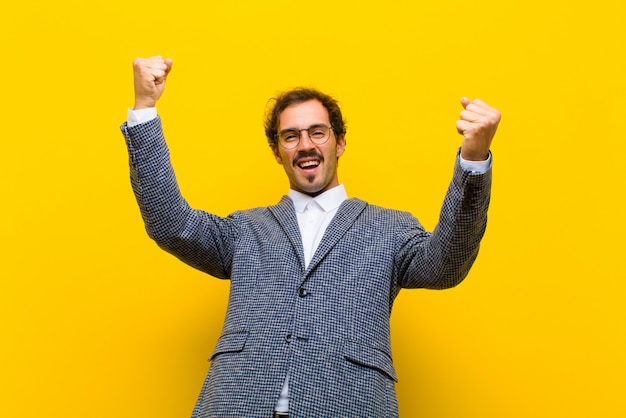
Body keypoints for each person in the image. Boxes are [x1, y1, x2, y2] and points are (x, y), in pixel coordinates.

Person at [120, 56, 501, 418]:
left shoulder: (391, 228)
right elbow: (171, 224)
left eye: (317, 132)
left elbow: (446, 265)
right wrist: (145, 110)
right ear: (276, 151)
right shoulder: (244, 230)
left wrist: (473, 160)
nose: (305, 145)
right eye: (290, 136)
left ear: (340, 142)